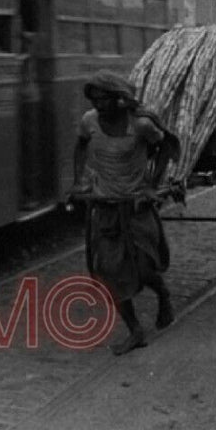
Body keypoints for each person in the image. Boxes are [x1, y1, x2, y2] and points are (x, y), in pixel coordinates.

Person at [69, 71, 176, 355]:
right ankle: (135, 330)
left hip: (136, 206)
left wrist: (153, 185)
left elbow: (166, 146)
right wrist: (78, 180)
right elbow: (80, 146)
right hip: (104, 206)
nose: (98, 105)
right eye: (95, 100)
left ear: (119, 100)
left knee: (142, 267)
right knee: (108, 274)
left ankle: (163, 293)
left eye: (104, 99)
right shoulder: (88, 122)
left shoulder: (140, 125)